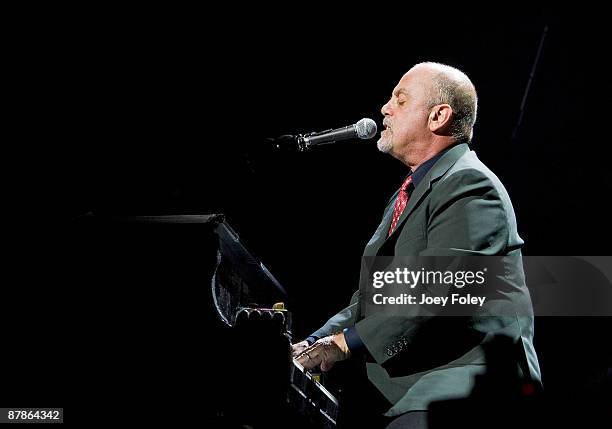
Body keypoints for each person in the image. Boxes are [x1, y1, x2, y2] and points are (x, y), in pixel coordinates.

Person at [292, 62, 542, 428]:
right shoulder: (407, 194)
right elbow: (376, 297)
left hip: (473, 387)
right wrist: (315, 340)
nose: (385, 109)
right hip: (418, 390)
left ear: (438, 115)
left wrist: (343, 345)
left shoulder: (471, 185)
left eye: (401, 99)